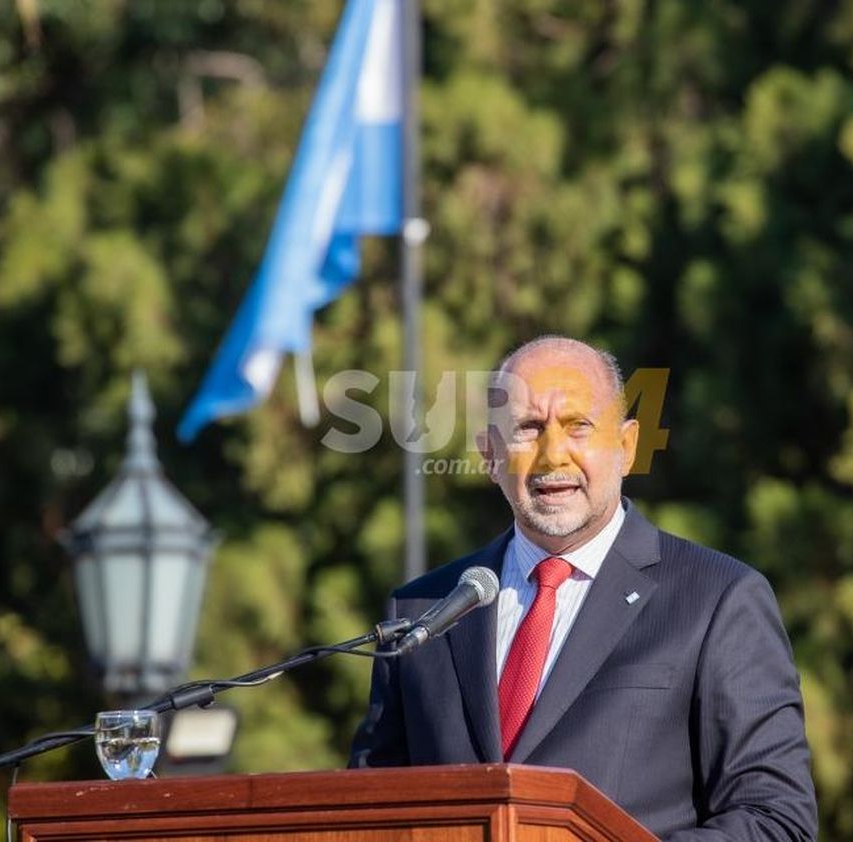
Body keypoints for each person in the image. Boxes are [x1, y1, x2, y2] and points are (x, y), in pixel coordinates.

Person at [350, 336, 817, 841]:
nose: (554, 456)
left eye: (579, 427)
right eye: (528, 429)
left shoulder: (718, 601)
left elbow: (776, 822)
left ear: (627, 446)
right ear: (489, 454)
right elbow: (372, 815)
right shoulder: (425, 610)